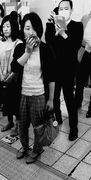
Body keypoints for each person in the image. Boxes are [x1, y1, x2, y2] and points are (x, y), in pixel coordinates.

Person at [11, 12, 55, 164]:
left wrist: (51, 99)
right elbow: (15, 67)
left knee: (38, 126)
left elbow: (51, 77)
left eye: (34, 29)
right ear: (22, 30)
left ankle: (37, 149)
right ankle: (24, 147)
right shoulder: (20, 48)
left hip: (39, 95)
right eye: (27, 28)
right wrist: (27, 52)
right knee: (22, 125)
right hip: (22, 94)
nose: (31, 32)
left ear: (39, 31)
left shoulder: (45, 49)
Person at [45, 0, 83, 141]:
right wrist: (50, 26)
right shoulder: (52, 25)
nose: (63, 11)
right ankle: (58, 119)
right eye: (61, 8)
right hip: (55, 67)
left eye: (66, 8)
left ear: (71, 10)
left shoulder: (77, 26)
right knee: (54, 97)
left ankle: (74, 127)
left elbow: (75, 47)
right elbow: (48, 43)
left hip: (68, 68)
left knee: (69, 98)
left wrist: (63, 34)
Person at [0, 13, 22, 134]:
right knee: (6, 102)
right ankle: (9, 121)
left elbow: (18, 66)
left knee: (15, 103)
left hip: (14, 80)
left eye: (8, 26)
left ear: (14, 27)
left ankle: (17, 125)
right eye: (4, 26)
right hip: (2, 78)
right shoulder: (1, 42)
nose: (5, 29)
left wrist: (9, 77)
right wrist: (1, 74)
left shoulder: (18, 43)